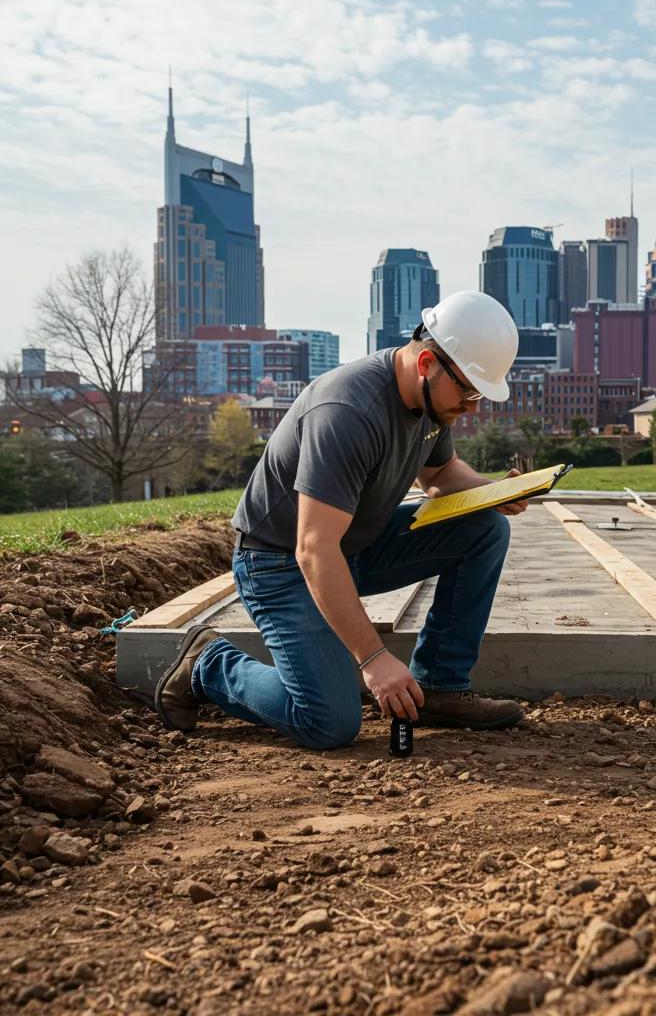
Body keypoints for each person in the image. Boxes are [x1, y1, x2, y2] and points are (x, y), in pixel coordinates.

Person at [154, 291, 528, 749]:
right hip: (280, 565)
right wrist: (374, 658)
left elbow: (439, 474)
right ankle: (208, 663)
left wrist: (494, 492)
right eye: (468, 391)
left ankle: (439, 688)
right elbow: (313, 550)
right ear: (428, 361)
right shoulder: (348, 412)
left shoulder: (430, 399)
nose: (472, 407)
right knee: (328, 721)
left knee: (484, 528)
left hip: (354, 545)